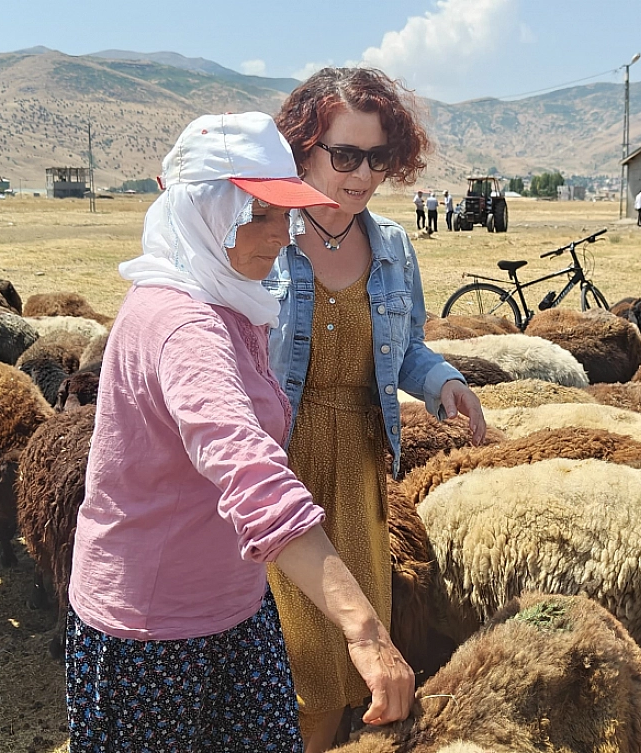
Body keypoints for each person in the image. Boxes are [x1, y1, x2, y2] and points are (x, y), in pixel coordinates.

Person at [65, 111, 413, 752]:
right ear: (204, 212)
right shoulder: (184, 325)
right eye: (258, 216)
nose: (282, 235)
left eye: (286, 215)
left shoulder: (233, 303)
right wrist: (363, 628)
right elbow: (247, 468)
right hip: (158, 634)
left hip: (234, 608)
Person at [270, 67, 488, 753]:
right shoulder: (266, 239)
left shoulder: (392, 246)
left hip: (360, 466)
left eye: (376, 156)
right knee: (300, 658)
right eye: (344, 155)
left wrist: (444, 382)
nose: (362, 174)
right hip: (283, 463)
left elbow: (408, 346)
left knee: (354, 660)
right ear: (303, 149)